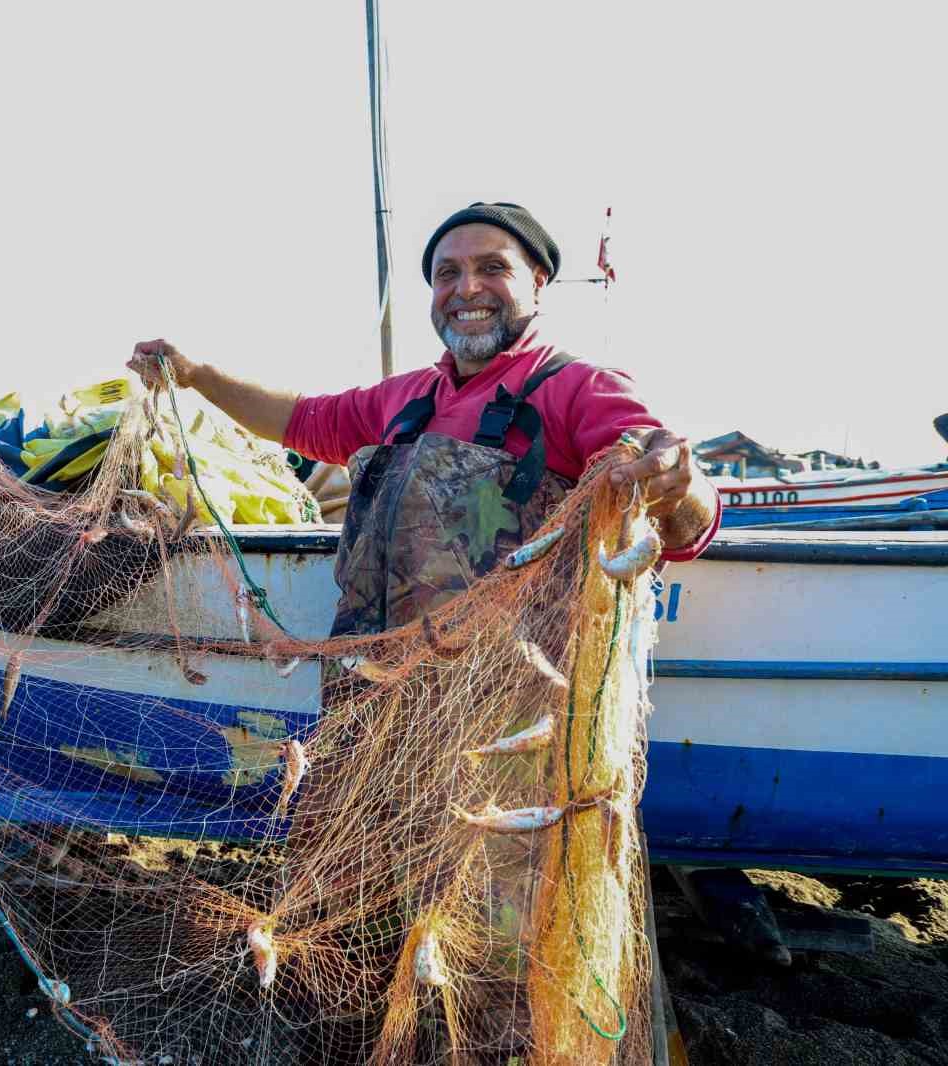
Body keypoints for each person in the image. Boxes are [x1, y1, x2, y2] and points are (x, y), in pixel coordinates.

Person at [127, 201, 718, 1058]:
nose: (466, 288)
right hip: (372, 720)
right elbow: (300, 419)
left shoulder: (576, 389)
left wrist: (674, 479)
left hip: (507, 732)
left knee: (499, 947)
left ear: (538, 284)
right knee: (358, 918)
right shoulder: (409, 398)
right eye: (447, 273)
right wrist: (197, 373)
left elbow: (688, 519)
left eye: (492, 268)